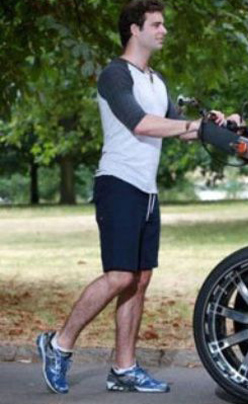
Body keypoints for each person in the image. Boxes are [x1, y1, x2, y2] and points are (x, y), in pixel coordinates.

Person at [36, 0, 234, 394]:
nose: (164, 30)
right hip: (118, 183)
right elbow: (141, 123)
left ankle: (124, 368)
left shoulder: (157, 81)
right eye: (156, 24)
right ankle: (58, 343)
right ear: (134, 29)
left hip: (147, 190)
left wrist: (216, 125)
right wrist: (192, 125)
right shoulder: (115, 74)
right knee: (120, 276)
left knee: (139, 280)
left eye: (163, 24)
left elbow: (179, 127)